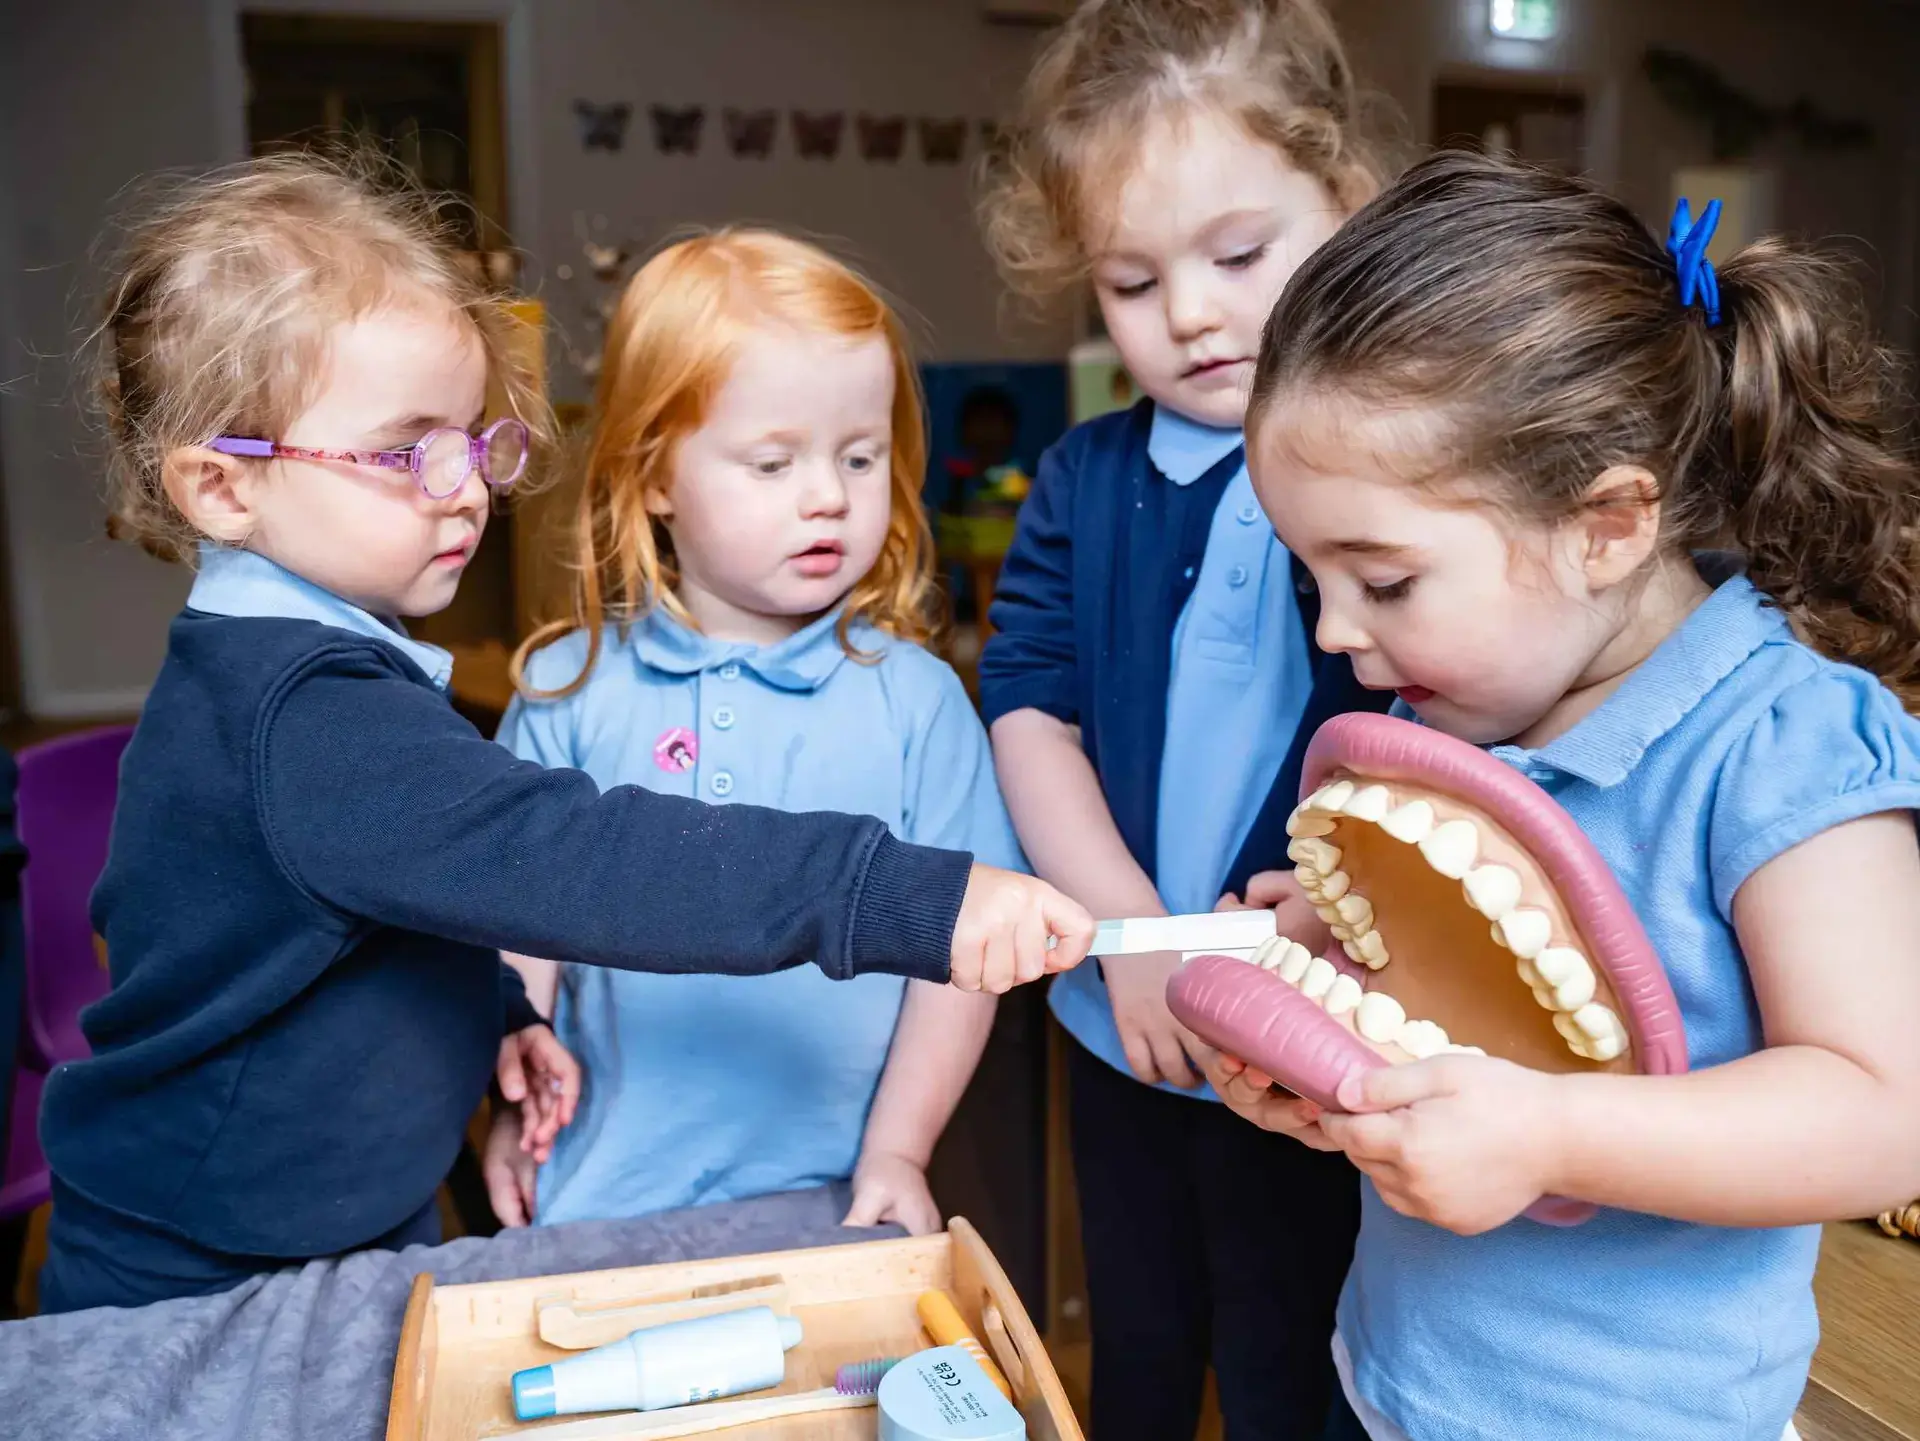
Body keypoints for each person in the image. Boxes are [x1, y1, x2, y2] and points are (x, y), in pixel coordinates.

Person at [37, 152, 1091, 1315]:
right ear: (224, 489)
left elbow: (381, 915)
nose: (463, 487)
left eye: (470, 439)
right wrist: (890, 895)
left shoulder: (319, 680)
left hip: (330, 1217)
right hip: (204, 1264)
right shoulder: (307, 717)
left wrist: (497, 1017)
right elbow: (574, 859)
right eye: (403, 450)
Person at [1210, 148, 1920, 1441]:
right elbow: (1488, 1017)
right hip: (1391, 1380)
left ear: (1606, 524)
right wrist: (1344, 1017)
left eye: (1386, 580)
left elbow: (1886, 1113)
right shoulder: (1465, 703)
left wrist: (1547, 1136)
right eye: (1315, 580)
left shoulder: (1786, 744)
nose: (1333, 635)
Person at [975, 2, 1394, 1435]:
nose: (1195, 314)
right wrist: (1136, 940)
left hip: (1318, 1036)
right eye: (1134, 281)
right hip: (1124, 1019)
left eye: (1238, 254)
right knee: (1144, 1348)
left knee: (1297, 1366)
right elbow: (1029, 707)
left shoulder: (1397, 471)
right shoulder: (1084, 479)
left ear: (1342, 210)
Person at [482, 231, 1022, 1237]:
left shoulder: (920, 703)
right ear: (652, 476)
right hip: (599, 1193)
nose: (828, 494)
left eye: (859, 456)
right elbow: (522, 944)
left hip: (836, 1197)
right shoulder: (568, 690)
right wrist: (514, 1112)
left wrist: (901, 1149)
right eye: (773, 462)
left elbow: (956, 962)